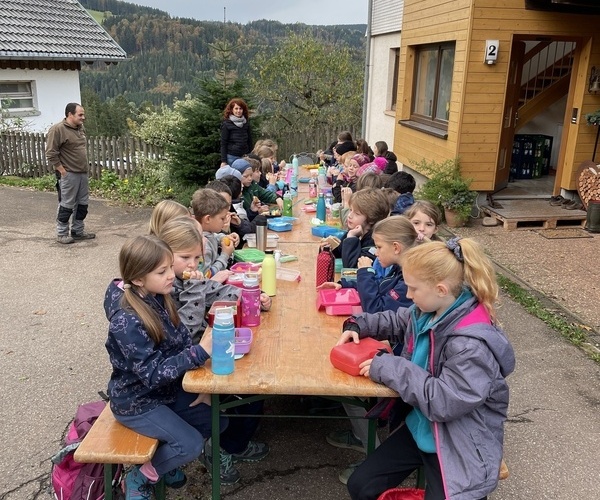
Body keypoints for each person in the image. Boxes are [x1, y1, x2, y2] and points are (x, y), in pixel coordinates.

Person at [339, 238, 516, 500]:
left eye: (413, 289)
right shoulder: (430, 309)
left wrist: (389, 366)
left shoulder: (471, 346)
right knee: (361, 485)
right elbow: (398, 320)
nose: (408, 295)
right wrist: (358, 324)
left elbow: (444, 401)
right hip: (423, 426)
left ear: (440, 289)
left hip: (459, 440)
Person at [104, 235, 223, 497]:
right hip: (136, 402)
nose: (171, 275)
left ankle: (164, 461)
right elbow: (153, 374)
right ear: (138, 279)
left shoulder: (159, 296)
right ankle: (139, 476)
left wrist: (202, 380)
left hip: (164, 391)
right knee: (190, 444)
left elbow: (181, 342)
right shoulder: (126, 321)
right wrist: (200, 352)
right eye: (162, 271)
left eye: (170, 267)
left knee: (215, 420)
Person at [319, 215, 423, 314]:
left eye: (379, 247)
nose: (376, 253)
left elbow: (376, 310)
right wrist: (344, 285)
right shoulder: (398, 268)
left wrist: (365, 273)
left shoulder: (409, 281)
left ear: (396, 248)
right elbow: (378, 286)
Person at [46, 103, 95, 244]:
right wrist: (62, 171)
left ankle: (77, 231)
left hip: (82, 173)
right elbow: (51, 153)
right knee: (67, 204)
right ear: (70, 114)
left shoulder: (80, 128)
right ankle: (62, 234)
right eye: (80, 115)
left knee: (82, 204)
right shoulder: (57, 130)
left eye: (83, 114)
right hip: (69, 174)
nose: (83, 117)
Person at [329, 188, 390, 269]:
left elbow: (352, 268)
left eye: (357, 213)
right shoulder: (356, 232)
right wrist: (327, 249)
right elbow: (339, 254)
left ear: (371, 219)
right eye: (350, 210)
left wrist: (351, 238)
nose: (349, 215)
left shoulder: (374, 244)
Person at [191, 188, 239, 278]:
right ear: (208, 219)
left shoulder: (207, 232)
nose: (225, 221)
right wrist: (225, 255)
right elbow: (207, 276)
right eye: (222, 218)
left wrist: (223, 238)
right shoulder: (204, 247)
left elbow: (213, 236)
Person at [220, 98, 253, 167]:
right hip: (232, 157)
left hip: (245, 157)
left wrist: (250, 155)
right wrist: (224, 161)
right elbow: (223, 143)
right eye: (236, 108)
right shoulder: (226, 124)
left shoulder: (246, 123)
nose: (238, 111)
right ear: (232, 110)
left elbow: (249, 141)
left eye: (240, 108)